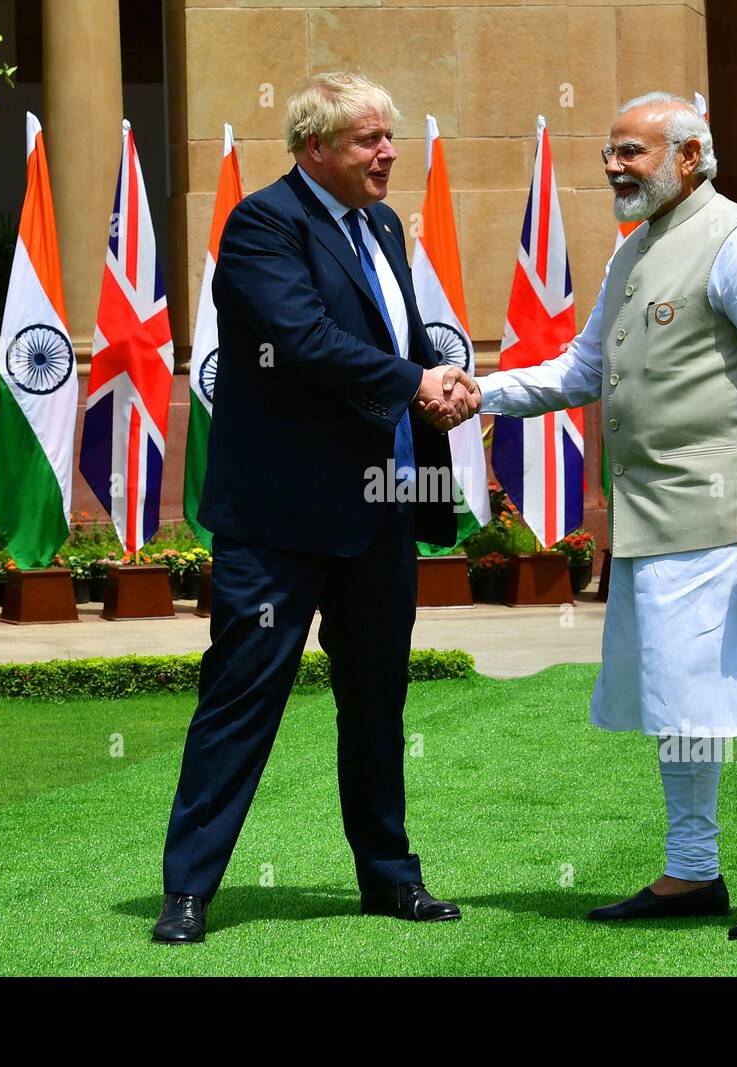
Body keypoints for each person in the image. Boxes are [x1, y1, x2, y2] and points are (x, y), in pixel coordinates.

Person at [473, 91, 737, 940]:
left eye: (631, 152)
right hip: (652, 524)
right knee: (677, 702)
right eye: (610, 151)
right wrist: (479, 393)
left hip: (731, 527)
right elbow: (578, 371)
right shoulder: (634, 251)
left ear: (689, 157)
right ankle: (691, 870)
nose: (614, 165)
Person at [153, 72, 478, 944]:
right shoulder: (262, 223)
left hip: (380, 513)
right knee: (241, 697)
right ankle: (187, 889)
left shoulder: (380, 225)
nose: (388, 153)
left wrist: (433, 393)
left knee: (377, 701)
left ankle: (388, 878)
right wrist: (418, 382)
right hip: (279, 524)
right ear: (315, 148)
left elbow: (391, 343)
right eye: (369, 139)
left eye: (390, 136)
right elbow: (303, 341)